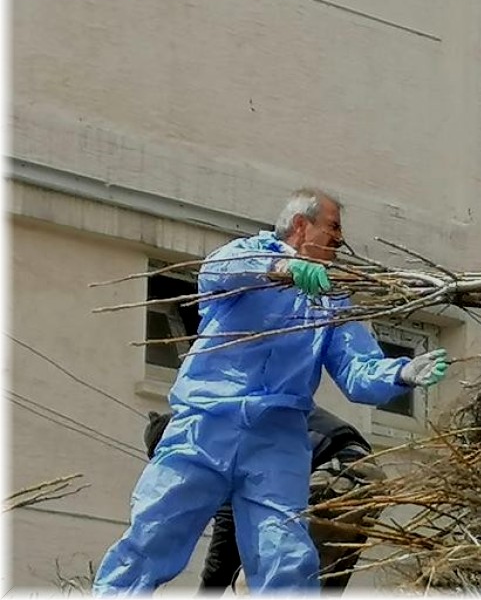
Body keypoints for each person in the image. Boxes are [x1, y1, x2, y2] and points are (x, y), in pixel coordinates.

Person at [94, 188, 450, 594]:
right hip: (207, 422)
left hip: (277, 439)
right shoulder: (249, 256)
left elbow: (356, 369)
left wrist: (402, 372)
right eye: (333, 227)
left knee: (286, 558)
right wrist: (283, 266)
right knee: (153, 535)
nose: (340, 240)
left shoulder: (331, 298)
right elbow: (217, 270)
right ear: (301, 225)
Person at [141, 406, 384, 593]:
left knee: (255, 584)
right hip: (361, 474)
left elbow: (227, 533)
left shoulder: (213, 438)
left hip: (336, 472)